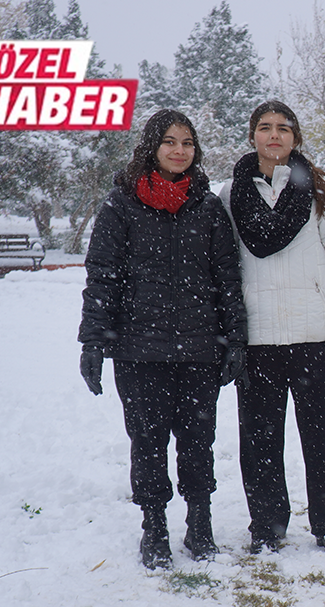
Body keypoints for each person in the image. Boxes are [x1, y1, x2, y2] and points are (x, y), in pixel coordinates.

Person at [79, 109, 248, 570]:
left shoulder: (209, 207)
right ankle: (154, 525)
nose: (179, 150)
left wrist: (235, 339)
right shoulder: (121, 205)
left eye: (188, 143)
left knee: (198, 440)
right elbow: (103, 277)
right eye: (171, 141)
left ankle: (200, 522)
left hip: (198, 348)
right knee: (148, 442)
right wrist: (93, 342)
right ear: (153, 146)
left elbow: (227, 277)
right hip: (138, 350)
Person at [220, 100, 325, 555]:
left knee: (322, 436)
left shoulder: (320, 191)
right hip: (258, 339)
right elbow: (223, 267)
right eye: (265, 127)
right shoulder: (230, 195)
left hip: (316, 336)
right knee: (259, 440)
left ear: (295, 137)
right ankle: (267, 525)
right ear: (253, 136)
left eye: (283, 128)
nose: (274, 135)